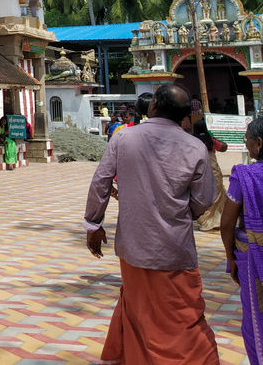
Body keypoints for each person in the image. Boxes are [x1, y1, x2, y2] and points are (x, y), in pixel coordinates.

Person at [84, 83, 219, 364]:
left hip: (135, 248)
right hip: (175, 248)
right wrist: (178, 210)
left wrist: (94, 224)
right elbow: (205, 199)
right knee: (184, 321)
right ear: (184, 117)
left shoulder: (123, 139)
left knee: (140, 314)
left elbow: (101, 182)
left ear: (153, 105)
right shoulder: (195, 147)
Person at [221, 118, 263, 365]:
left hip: (252, 257)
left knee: (257, 318)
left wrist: (231, 257)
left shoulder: (244, 175)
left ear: (259, 143)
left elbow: (226, 223)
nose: (245, 144)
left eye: (247, 139)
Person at [192, 118, 229, 231]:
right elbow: (224, 147)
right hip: (215, 172)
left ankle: (207, 219)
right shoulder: (211, 141)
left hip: (200, 173)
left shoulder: (193, 141)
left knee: (205, 196)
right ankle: (218, 218)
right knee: (217, 196)